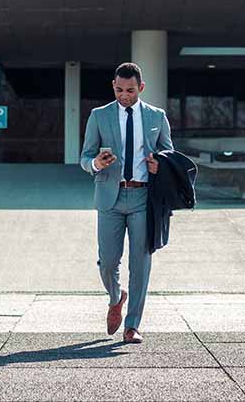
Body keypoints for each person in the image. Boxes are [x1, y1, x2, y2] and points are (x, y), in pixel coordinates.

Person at [79, 62, 174, 343]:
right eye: (119, 90)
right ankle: (116, 296)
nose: (124, 95)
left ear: (141, 88)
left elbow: (169, 154)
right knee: (108, 262)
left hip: (144, 197)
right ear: (113, 86)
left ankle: (132, 325)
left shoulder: (157, 116)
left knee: (140, 263)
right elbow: (84, 158)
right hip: (110, 196)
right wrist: (95, 163)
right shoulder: (99, 116)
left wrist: (160, 166)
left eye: (130, 90)